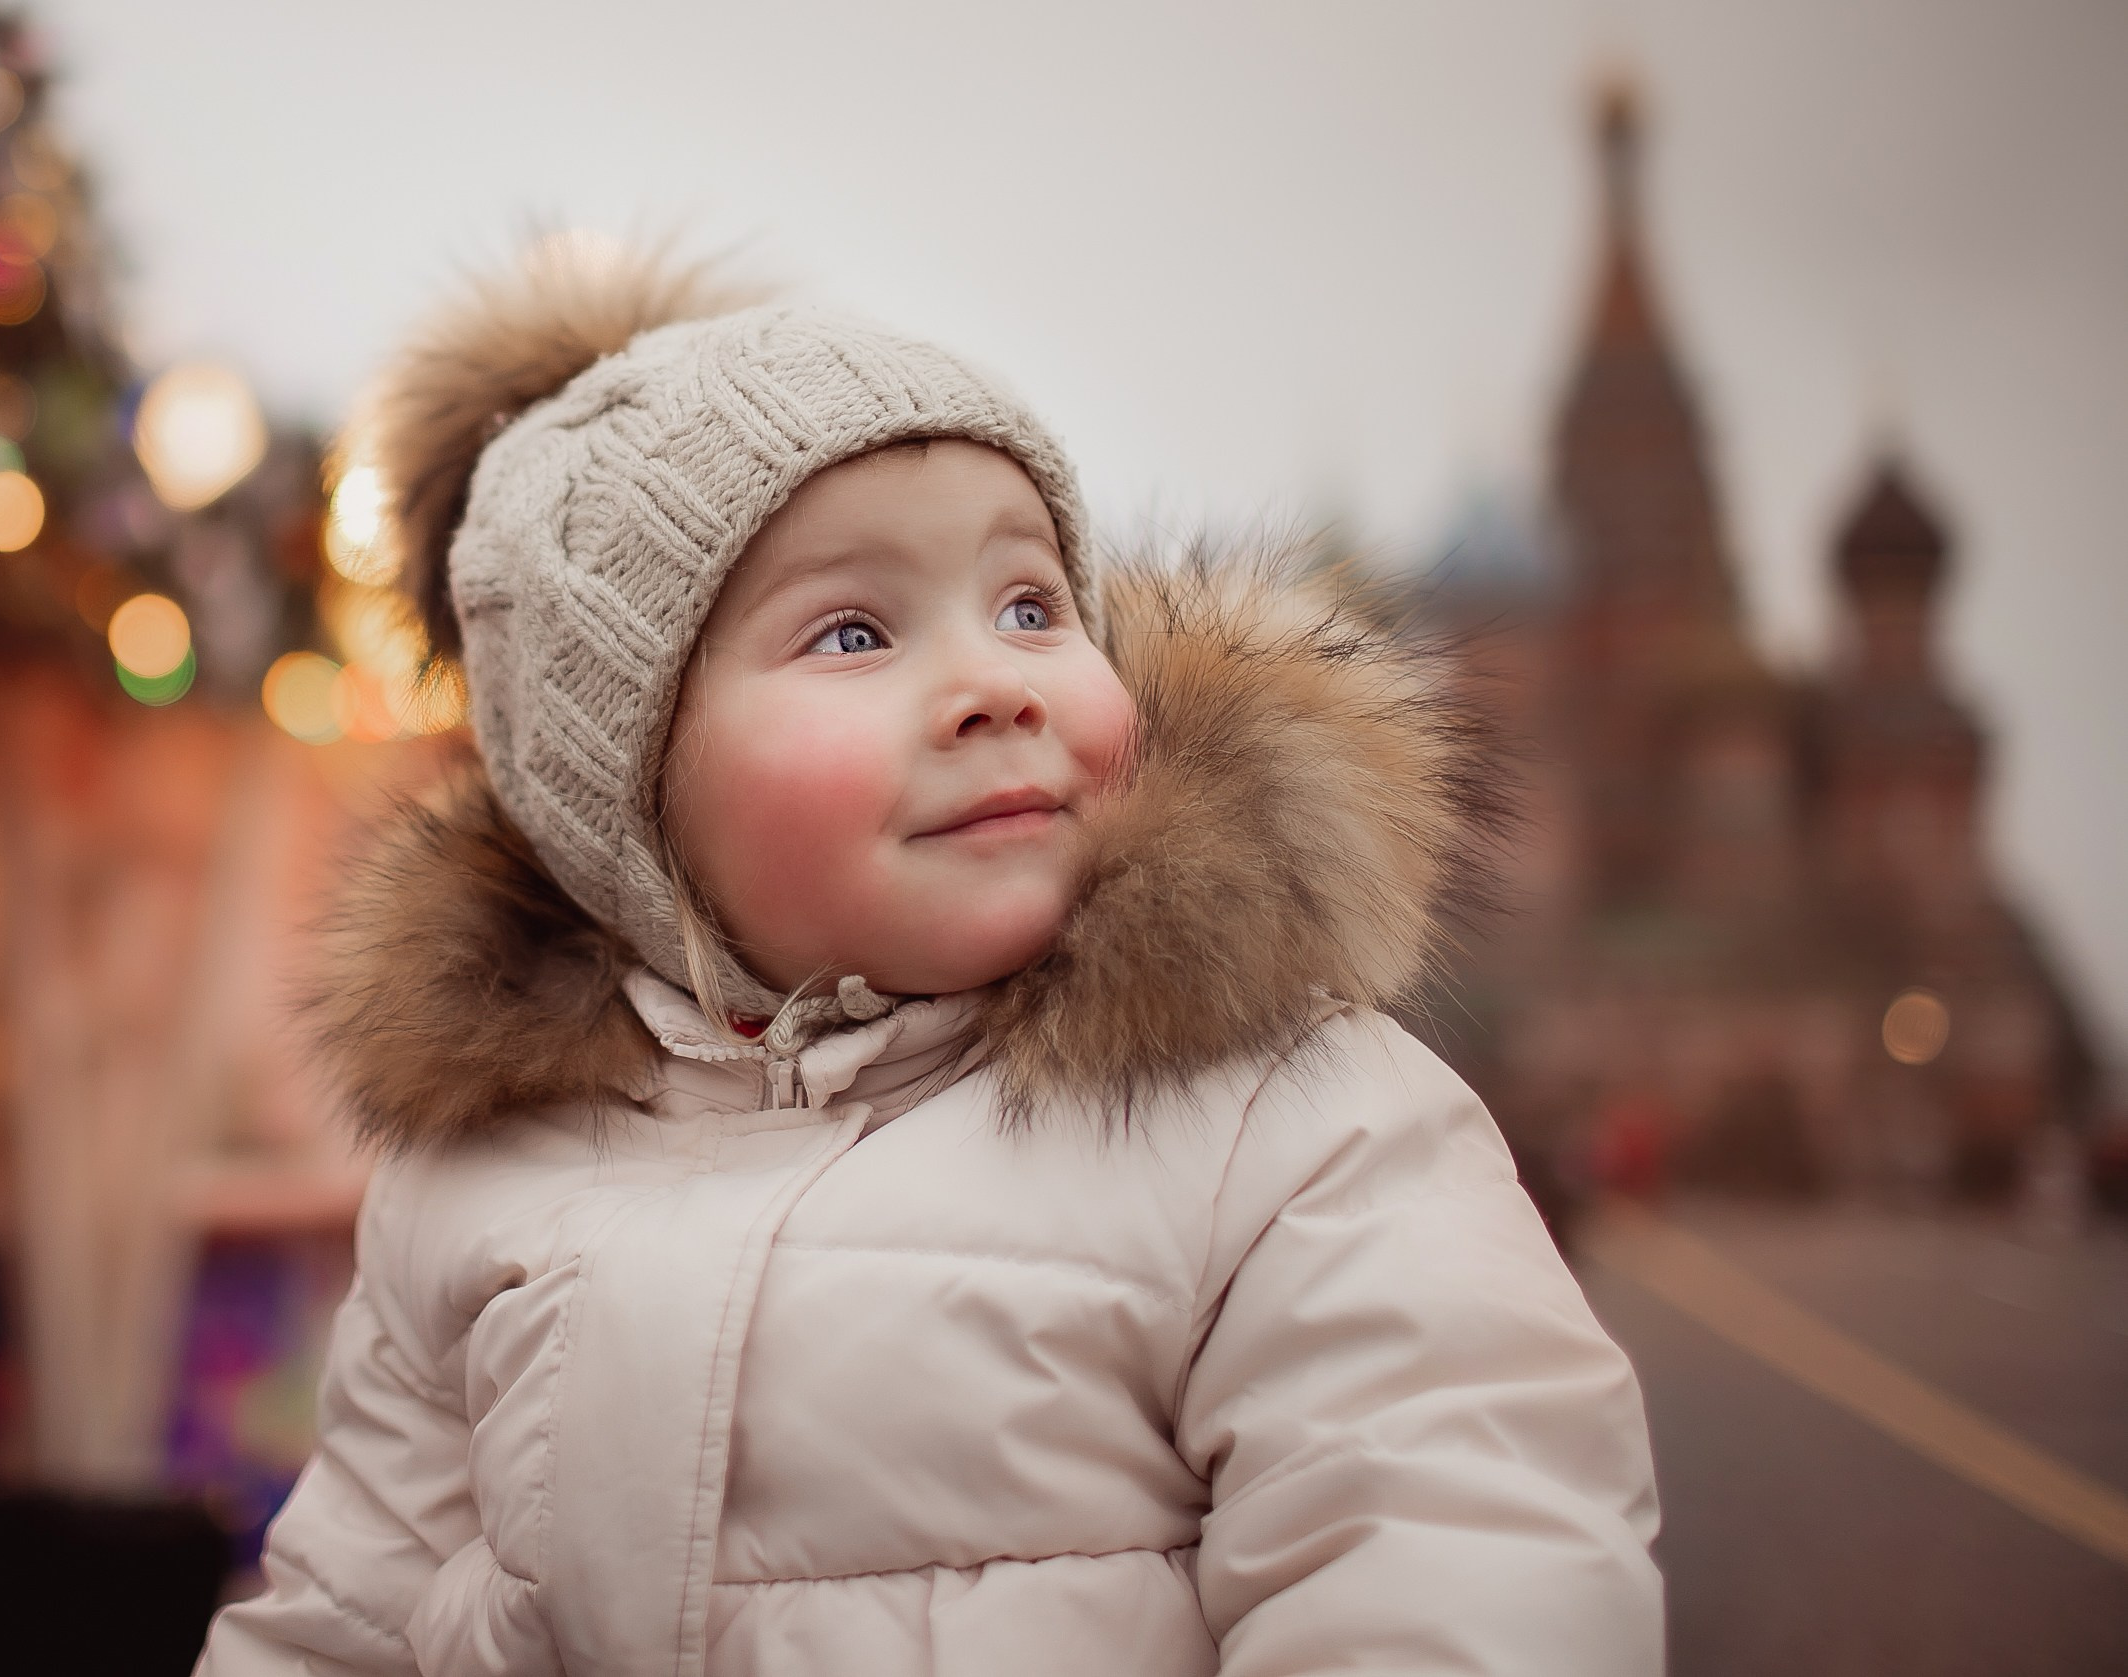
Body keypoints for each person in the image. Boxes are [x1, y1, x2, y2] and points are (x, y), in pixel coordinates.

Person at [196, 244, 1663, 1677]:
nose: (994, 685)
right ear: (628, 798)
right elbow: (347, 1611)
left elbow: (1457, 1544)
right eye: (853, 630)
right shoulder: (475, 1179)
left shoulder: (1283, 1122)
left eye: (1032, 605)